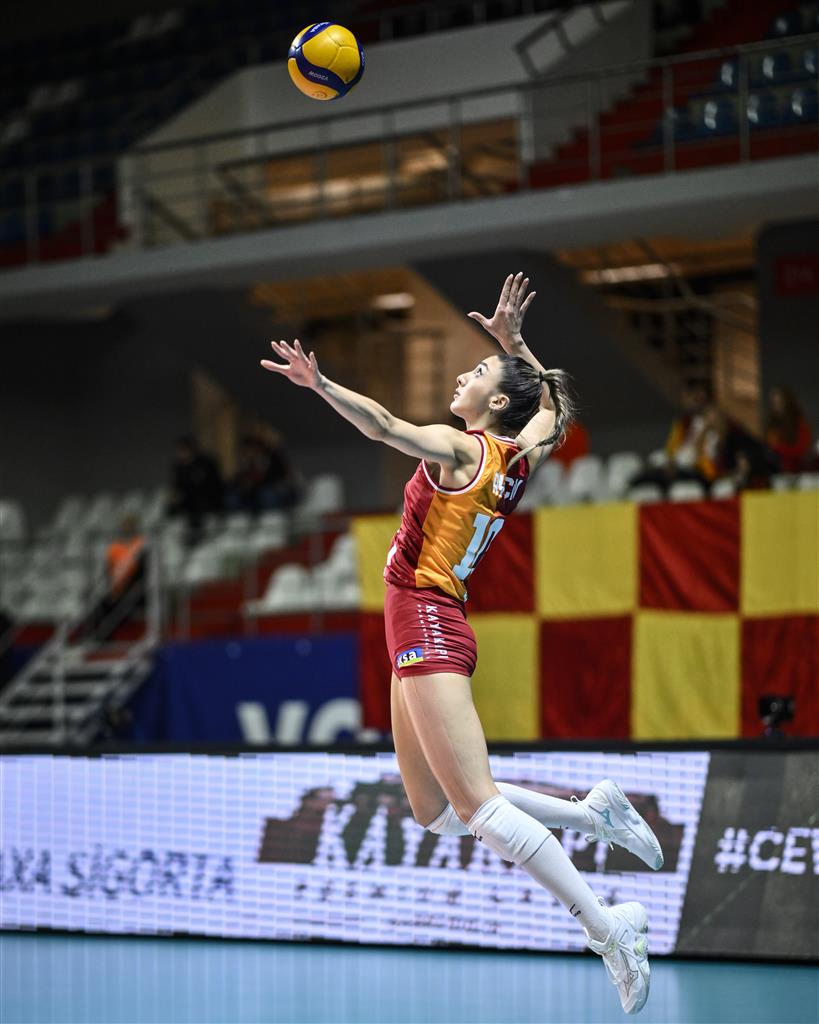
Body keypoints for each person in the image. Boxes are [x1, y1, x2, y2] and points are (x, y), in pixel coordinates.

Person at [261, 273, 661, 1015]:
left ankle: (608, 931)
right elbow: (555, 413)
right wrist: (514, 345)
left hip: (426, 618)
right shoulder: (518, 454)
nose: (461, 375)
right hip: (417, 621)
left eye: (477, 371)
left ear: (496, 403)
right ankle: (593, 814)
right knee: (434, 812)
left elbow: (384, 425)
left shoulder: (458, 447)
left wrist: (321, 385)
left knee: (476, 807)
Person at [168, 436, 224, 543]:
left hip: (207, 499)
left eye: (184, 450)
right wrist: (174, 496)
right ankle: (182, 536)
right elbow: (177, 486)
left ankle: (196, 536)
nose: (181, 453)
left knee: (195, 506)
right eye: (179, 451)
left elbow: (213, 485)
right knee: (172, 508)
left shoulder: (206, 463)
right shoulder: (179, 467)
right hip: (188, 500)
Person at [764, 386, 813, 474]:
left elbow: (801, 451)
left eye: (780, 403)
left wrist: (777, 446)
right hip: (776, 474)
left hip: (799, 474)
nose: (777, 407)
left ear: (788, 403)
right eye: (774, 403)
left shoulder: (800, 424)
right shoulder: (772, 427)